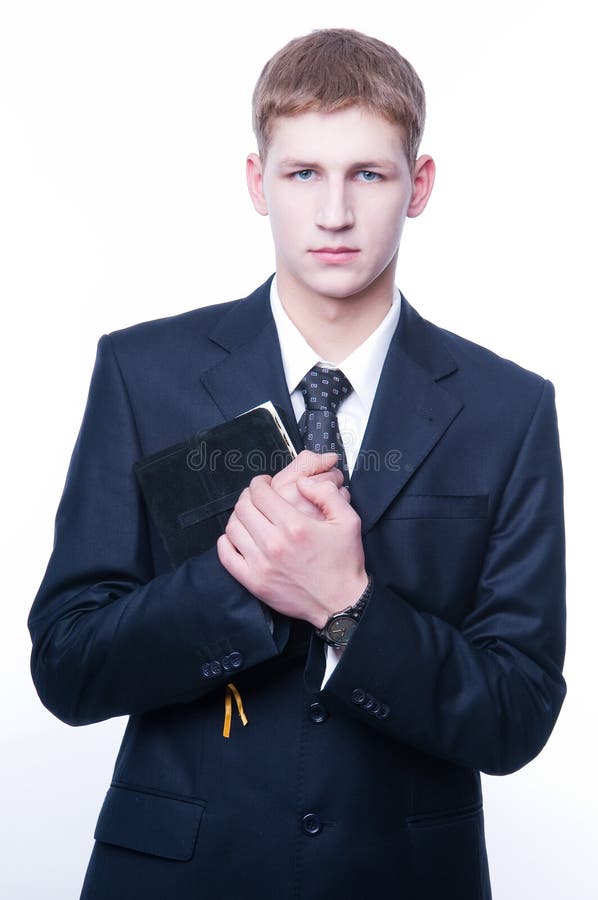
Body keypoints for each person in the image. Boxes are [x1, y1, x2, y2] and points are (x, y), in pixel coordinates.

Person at [28, 27, 566, 900]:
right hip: (176, 874)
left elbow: (516, 714)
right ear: (258, 182)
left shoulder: (509, 409)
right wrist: (245, 582)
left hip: (402, 875)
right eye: (303, 173)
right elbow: (68, 662)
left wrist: (347, 607)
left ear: (417, 186)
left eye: (369, 174)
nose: (335, 214)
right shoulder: (142, 374)